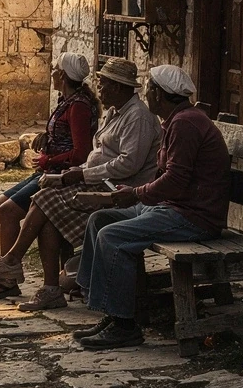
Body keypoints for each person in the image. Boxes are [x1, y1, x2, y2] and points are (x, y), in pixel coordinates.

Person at [0, 59, 160, 310]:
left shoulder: (138, 117)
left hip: (120, 190)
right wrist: (76, 172)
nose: (100, 90)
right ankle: (49, 289)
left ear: (118, 87)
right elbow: (98, 156)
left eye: (104, 85)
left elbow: (128, 165)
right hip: (99, 180)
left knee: (43, 199)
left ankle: (13, 260)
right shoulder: (116, 113)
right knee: (47, 216)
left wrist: (80, 175)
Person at [71, 64, 232, 350]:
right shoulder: (177, 120)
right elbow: (168, 176)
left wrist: (137, 194)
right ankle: (108, 308)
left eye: (149, 89)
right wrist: (134, 192)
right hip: (173, 207)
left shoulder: (185, 124)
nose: (145, 94)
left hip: (192, 216)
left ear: (159, 93)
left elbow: (175, 181)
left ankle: (124, 325)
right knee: (100, 219)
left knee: (112, 236)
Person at [0, 53, 96, 300]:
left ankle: (7, 276)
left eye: (54, 69)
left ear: (62, 75)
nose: (51, 72)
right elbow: (66, 137)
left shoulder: (78, 106)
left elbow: (81, 152)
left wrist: (49, 160)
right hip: (47, 169)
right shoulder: (66, 100)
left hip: (59, 175)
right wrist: (46, 139)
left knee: (8, 211)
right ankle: (4, 270)